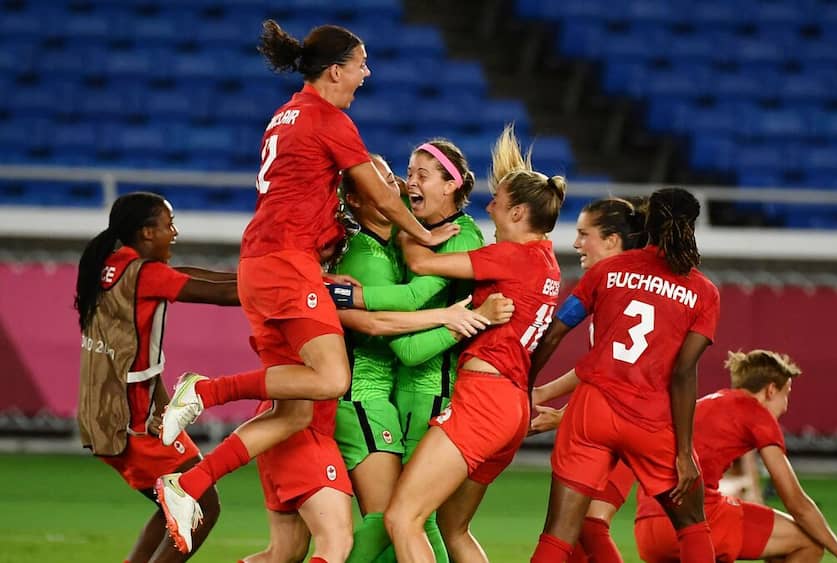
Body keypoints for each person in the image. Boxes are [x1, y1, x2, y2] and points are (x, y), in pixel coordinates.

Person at [154, 20, 458, 554]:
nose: (367, 74)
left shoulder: (284, 115)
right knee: (332, 378)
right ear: (336, 69)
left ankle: (190, 483)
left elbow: (299, 193)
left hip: (268, 265)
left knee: (293, 408)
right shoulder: (328, 119)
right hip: (285, 265)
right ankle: (205, 391)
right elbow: (385, 200)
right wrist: (426, 236)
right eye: (361, 63)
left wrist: (318, 270)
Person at [382, 125, 566, 563]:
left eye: (498, 204)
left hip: (484, 400)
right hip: (512, 406)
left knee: (401, 517)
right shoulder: (546, 260)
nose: (488, 208)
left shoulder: (510, 255)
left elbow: (422, 262)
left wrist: (404, 221)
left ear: (519, 213)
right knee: (453, 527)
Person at [333, 150, 511, 563]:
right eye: (405, 172)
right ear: (357, 202)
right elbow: (405, 335)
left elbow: (411, 344)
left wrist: (353, 295)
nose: (402, 181)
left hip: (428, 392)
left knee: (409, 519)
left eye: (419, 174)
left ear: (451, 185)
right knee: (403, 520)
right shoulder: (389, 245)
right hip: (382, 394)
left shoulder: (454, 236)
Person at [527, 187, 721, 563]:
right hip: (651, 421)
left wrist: (524, 386)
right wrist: (683, 452)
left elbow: (554, 332)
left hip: (591, 412)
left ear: (647, 223)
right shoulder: (703, 293)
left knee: (560, 532)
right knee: (692, 524)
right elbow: (683, 373)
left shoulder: (608, 271)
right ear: (691, 227)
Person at [74, 192, 239, 563]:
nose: (174, 232)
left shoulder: (113, 266)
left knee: (175, 506)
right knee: (200, 506)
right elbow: (224, 293)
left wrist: (163, 404)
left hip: (106, 413)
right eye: (168, 225)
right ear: (147, 232)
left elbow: (194, 278)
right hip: (132, 422)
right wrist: (297, 286)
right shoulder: (145, 276)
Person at [633, 350, 837, 563]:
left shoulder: (709, 402)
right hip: (694, 521)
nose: (786, 406)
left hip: (647, 526)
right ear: (771, 390)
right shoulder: (756, 413)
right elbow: (796, 501)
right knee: (808, 542)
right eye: (787, 394)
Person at [529, 196, 649, 563]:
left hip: (628, 425)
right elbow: (600, 368)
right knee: (578, 528)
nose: (577, 243)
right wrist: (545, 392)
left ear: (612, 240)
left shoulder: (610, 283)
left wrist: (562, 416)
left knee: (586, 524)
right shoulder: (639, 283)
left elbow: (622, 382)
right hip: (636, 421)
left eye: (585, 234)